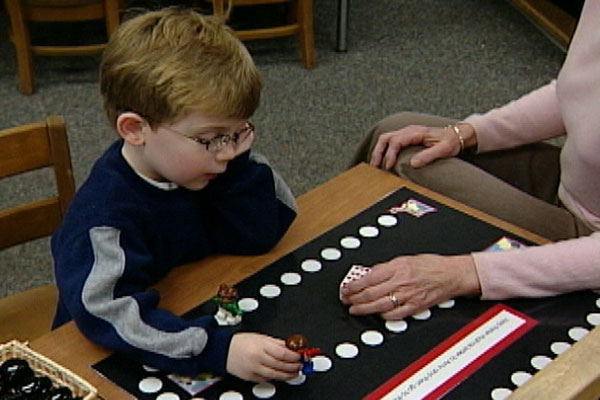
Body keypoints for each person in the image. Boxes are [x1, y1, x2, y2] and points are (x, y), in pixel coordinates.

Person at [51, 8, 302, 382]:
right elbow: (107, 313)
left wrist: (233, 161)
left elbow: (264, 230)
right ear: (136, 129)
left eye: (239, 132)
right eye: (211, 138)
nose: (227, 151)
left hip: (185, 299)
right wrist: (215, 349)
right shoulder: (103, 218)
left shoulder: (209, 165)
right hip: (102, 358)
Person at [341, 0, 600, 321]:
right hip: (574, 181)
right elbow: (576, 91)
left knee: (410, 163)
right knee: (396, 131)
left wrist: (464, 273)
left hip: (589, 241)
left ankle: (384, 286)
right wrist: (466, 133)